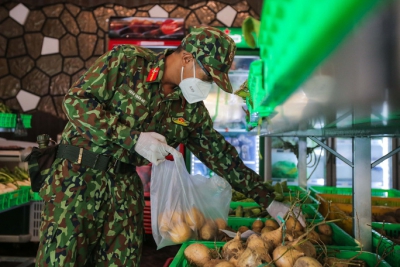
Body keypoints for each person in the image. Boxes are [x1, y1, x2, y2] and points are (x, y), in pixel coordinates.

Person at [36, 26, 273, 267]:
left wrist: (269, 200)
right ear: (187, 58)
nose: (208, 84)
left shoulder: (189, 109)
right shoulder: (128, 62)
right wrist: (133, 138)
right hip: (77, 178)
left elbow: (221, 156)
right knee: (61, 260)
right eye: (208, 76)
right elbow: (77, 101)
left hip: (125, 186)